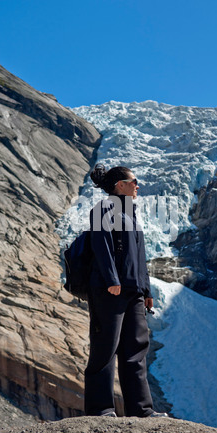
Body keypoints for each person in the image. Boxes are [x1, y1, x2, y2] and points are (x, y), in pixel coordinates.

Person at [84, 163, 169, 418]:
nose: (138, 186)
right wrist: (111, 278)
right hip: (109, 289)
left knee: (135, 351)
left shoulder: (132, 214)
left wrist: (147, 291)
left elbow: (139, 257)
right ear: (120, 185)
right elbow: (101, 244)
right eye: (134, 181)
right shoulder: (104, 208)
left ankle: (141, 411)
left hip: (133, 292)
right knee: (105, 349)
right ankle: (101, 410)